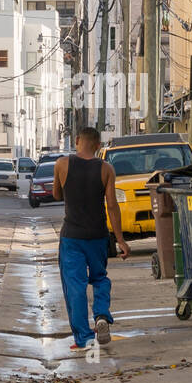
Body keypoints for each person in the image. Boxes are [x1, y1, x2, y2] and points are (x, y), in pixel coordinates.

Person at [51, 126, 129, 352]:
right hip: (98, 236)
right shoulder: (106, 169)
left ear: (77, 141)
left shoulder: (62, 164)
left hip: (72, 237)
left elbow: (57, 195)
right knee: (100, 278)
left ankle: (84, 339)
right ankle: (102, 316)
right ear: (98, 146)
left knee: (75, 286)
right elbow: (112, 206)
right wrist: (121, 240)